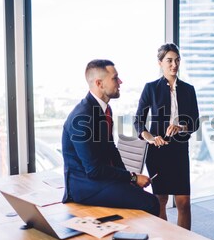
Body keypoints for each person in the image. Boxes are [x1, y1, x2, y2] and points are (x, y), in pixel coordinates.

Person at [62, 59, 160, 216]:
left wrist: (129, 179)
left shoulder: (104, 110)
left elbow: (111, 149)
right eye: (115, 78)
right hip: (84, 186)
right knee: (151, 202)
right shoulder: (81, 118)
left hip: (99, 179)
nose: (120, 82)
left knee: (138, 195)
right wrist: (133, 178)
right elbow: (93, 170)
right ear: (99, 83)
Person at [134, 43, 199, 230]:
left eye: (177, 60)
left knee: (184, 202)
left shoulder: (188, 89)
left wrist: (181, 127)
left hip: (179, 150)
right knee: (160, 200)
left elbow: (195, 122)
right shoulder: (151, 88)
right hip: (158, 151)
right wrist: (150, 138)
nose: (174, 65)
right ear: (160, 63)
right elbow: (138, 121)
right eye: (169, 60)